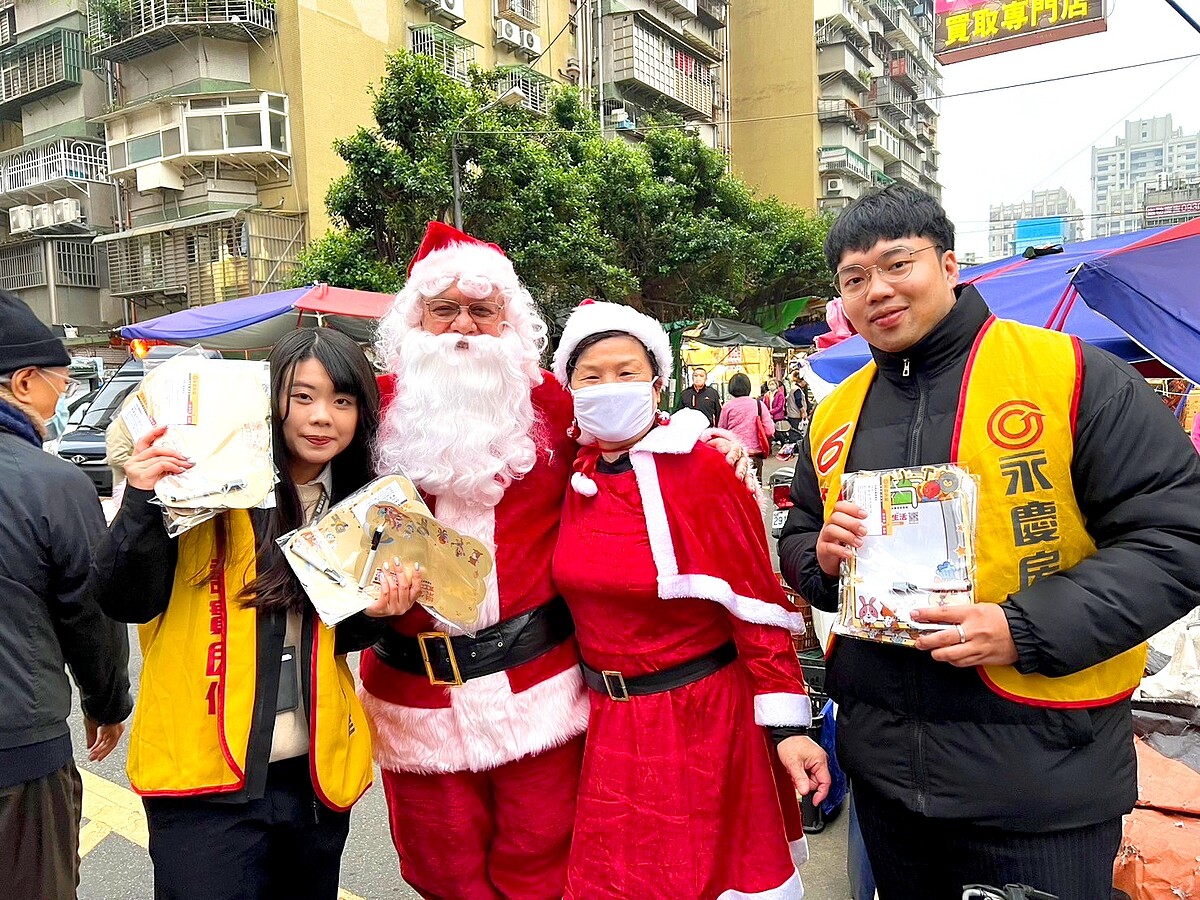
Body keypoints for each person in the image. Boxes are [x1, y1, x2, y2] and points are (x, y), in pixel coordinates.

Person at [779, 184, 1200, 900]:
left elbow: (1177, 536)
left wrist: (1022, 627)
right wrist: (821, 559)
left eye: (896, 264)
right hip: (886, 782)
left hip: (1040, 782)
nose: (876, 291)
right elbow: (799, 540)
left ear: (949, 265)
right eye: (854, 280)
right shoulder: (836, 415)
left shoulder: (1070, 377)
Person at [361, 221, 750, 900]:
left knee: (543, 866)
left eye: (483, 311)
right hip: (413, 697)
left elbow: (629, 439)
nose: (463, 327)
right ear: (412, 318)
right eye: (444, 308)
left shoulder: (552, 403)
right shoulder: (370, 410)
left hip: (538, 689)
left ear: (511, 323)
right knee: (438, 872)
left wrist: (705, 439)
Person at [88, 328, 418, 899]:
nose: (323, 418)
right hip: (203, 783)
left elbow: (335, 636)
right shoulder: (203, 490)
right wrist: (143, 497)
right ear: (271, 402)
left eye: (342, 401)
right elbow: (123, 599)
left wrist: (383, 612)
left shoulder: (362, 508)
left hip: (312, 783)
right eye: (303, 397)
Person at [550, 300, 829, 899]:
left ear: (657, 382)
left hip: (700, 721)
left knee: (702, 881)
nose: (608, 387)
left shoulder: (702, 466)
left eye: (626, 372)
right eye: (590, 375)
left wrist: (788, 732)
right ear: (567, 385)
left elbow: (757, 608)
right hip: (606, 724)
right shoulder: (569, 474)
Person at [0, 291, 132, 899]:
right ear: (24, 382)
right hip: (17, 749)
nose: (63, 399)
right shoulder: (52, 483)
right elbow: (91, 609)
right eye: (62, 382)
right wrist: (107, 701)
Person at [718, 371, 774, 481]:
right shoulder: (758, 405)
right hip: (754, 455)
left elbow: (721, 432)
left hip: (734, 455)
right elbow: (769, 430)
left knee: (737, 490)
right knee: (755, 489)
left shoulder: (727, 407)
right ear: (748, 387)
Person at [785, 373, 811, 439]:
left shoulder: (793, 388)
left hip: (792, 414)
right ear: (802, 381)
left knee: (794, 432)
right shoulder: (797, 390)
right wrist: (803, 411)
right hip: (795, 414)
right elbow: (798, 401)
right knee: (796, 433)